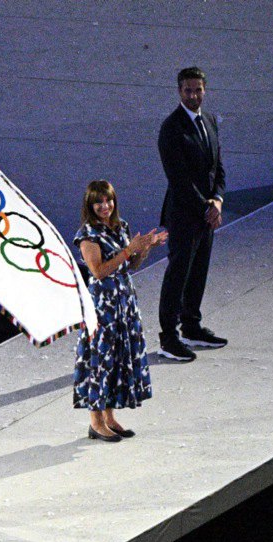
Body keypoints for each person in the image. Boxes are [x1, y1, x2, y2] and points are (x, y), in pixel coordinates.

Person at [72, 180, 166, 442]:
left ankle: (110, 418)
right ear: (90, 206)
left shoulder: (120, 226)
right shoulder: (88, 235)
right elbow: (99, 271)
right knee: (100, 360)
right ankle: (96, 421)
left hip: (124, 300)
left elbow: (131, 265)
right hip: (102, 304)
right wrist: (128, 251)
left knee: (116, 358)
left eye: (109, 200)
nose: (105, 206)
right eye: (99, 202)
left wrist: (145, 247)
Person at [157, 66, 228, 362]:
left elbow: (217, 168)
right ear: (179, 91)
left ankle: (191, 326)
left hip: (207, 213)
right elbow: (179, 179)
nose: (193, 95)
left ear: (204, 90)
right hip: (184, 214)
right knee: (178, 274)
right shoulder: (171, 128)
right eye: (188, 90)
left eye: (198, 90)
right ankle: (169, 337)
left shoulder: (209, 120)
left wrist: (218, 200)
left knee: (198, 271)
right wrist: (205, 207)